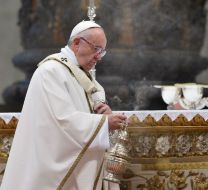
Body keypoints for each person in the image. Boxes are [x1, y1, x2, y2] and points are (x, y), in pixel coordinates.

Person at [0, 20, 127, 190]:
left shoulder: (83, 77)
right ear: (76, 43)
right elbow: (62, 121)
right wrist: (104, 124)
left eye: (102, 52)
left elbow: (87, 115)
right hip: (50, 170)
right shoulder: (51, 71)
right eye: (96, 49)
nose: (99, 57)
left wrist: (105, 115)